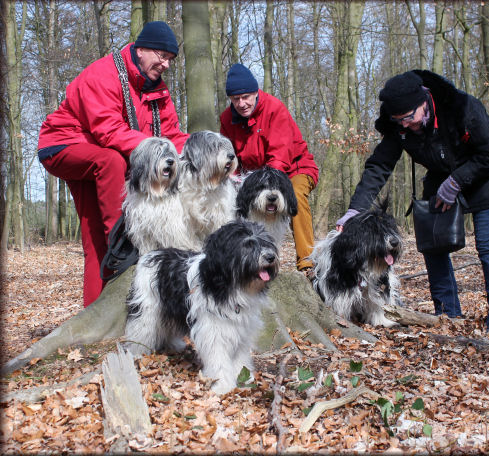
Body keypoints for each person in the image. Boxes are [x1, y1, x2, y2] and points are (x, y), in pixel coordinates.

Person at [336, 70, 489, 336]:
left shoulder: (463, 109)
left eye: (409, 117)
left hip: (487, 181)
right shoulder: (399, 127)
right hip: (440, 181)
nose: (405, 125)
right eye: (398, 121)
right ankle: (447, 315)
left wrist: (456, 181)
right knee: (433, 246)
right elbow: (379, 166)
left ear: (424, 102)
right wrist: (355, 210)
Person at [37, 21, 189, 307]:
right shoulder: (103, 74)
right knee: (110, 159)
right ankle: (123, 240)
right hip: (62, 144)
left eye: (170, 59)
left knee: (93, 241)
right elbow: (108, 130)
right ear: (142, 49)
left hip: (96, 155)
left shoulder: (159, 92)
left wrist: (197, 153)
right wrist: (152, 150)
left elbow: (172, 136)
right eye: (162, 56)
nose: (166, 65)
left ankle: (95, 311)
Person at [219, 63, 319, 275]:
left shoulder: (275, 109)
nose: (242, 103)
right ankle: (240, 259)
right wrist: (234, 182)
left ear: (256, 92)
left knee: (296, 194)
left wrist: (261, 183)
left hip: (293, 168)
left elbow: (280, 155)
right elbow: (230, 158)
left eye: (246, 96)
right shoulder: (227, 119)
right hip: (251, 176)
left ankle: (307, 264)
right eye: (235, 99)